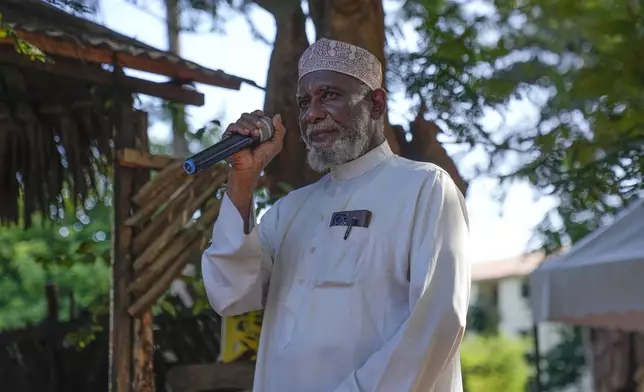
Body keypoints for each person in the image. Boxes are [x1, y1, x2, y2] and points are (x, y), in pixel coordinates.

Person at [202, 38, 471, 392]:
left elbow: (438, 319)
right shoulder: (290, 210)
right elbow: (230, 294)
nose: (312, 114)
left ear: (376, 104)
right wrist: (242, 179)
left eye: (329, 95)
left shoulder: (425, 188)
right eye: (304, 102)